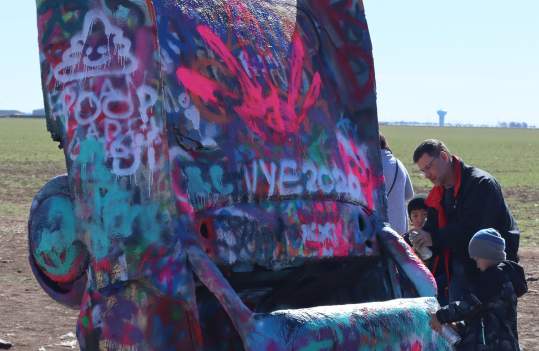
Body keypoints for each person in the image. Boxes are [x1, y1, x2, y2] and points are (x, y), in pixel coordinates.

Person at [412, 139, 520, 302]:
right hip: (460, 267)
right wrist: (422, 239)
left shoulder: (481, 184)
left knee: (493, 323)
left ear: (444, 156)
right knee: (461, 321)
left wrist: (434, 238)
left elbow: (477, 231)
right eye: (423, 171)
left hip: (492, 270)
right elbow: (434, 228)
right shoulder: (438, 194)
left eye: (429, 167)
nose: (427, 175)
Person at [431, 228, 527, 351]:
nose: (476, 264)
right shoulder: (502, 278)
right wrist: (459, 327)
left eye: (477, 258)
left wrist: (440, 316)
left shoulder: (493, 279)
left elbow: (470, 304)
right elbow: (482, 315)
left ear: (487, 255)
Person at [379, 134, 414, 235]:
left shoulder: (369, 166)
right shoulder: (399, 164)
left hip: (379, 230)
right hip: (400, 227)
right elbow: (409, 194)